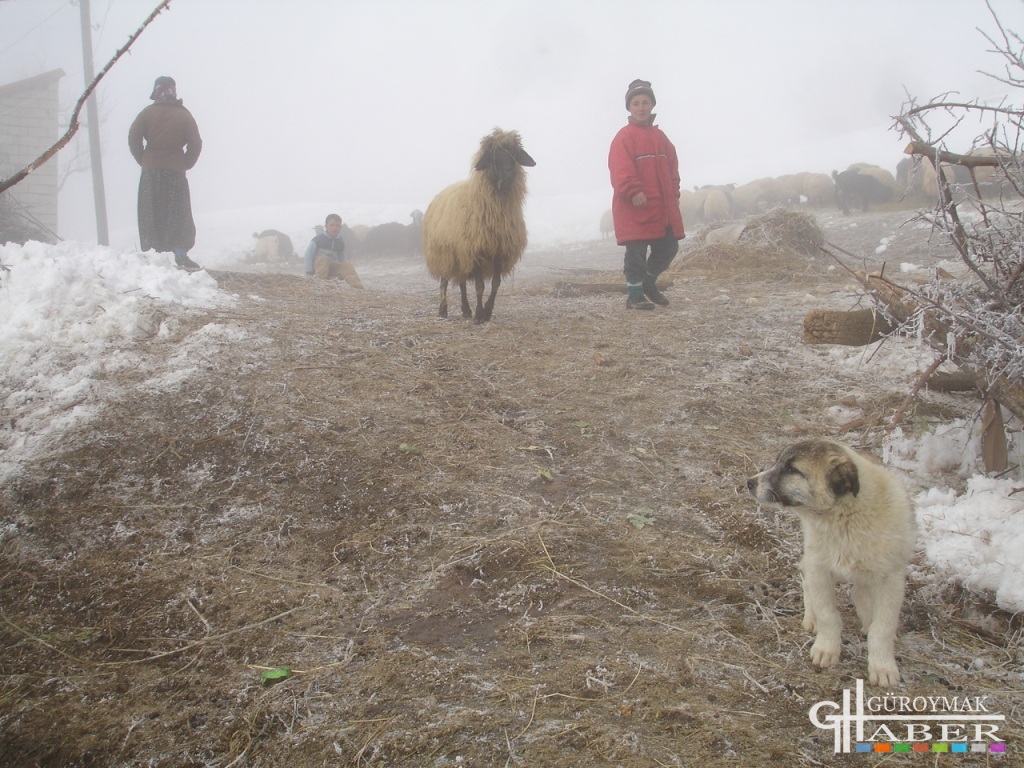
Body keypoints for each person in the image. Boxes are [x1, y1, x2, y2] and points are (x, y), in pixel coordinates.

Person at [608, 78, 685, 310]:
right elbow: (620, 168)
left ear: (652, 105)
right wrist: (633, 191)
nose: (641, 107)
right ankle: (634, 295)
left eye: (645, 102)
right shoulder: (624, 137)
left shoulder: (662, 139)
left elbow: (673, 169)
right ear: (629, 108)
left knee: (669, 247)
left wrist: (674, 193)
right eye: (635, 103)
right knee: (636, 253)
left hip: (661, 207)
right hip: (635, 207)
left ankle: (649, 284)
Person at [128, 76, 203, 272]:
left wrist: (143, 159)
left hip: (151, 171)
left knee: (150, 211)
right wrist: (186, 162)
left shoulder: (147, 114)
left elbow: (133, 137)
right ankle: (180, 253)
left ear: (156, 91)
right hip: (176, 172)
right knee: (178, 212)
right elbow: (196, 143)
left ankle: (152, 253)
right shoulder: (185, 116)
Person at [303, 213, 363, 287]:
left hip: (332, 266)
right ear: (326, 226)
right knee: (324, 259)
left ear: (340, 227)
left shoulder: (340, 240)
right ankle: (320, 284)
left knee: (347, 266)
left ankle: (358, 287)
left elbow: (342, 256)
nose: (335, 228)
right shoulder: (318, 239)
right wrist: (309, 272)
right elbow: (308, 255)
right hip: (319, 266)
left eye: (337, 225)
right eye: (332, 225)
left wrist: (343, 268)